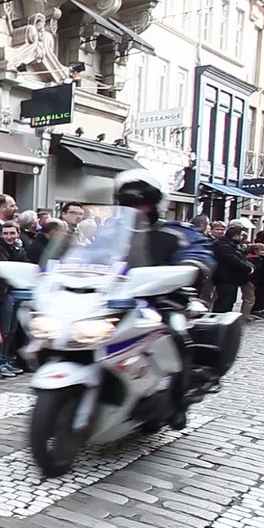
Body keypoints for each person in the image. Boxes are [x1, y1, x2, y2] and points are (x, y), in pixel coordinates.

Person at [111, 169, 215, 428]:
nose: (138, 210)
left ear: (157, 204)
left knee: (178, 335)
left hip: (165, 301)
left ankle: (179, 401)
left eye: (143, 204)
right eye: (130, 204)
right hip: (116, 300)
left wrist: (192, 266)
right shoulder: (111, 232)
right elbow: (85, 256)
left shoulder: (177, 232)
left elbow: (199, 254)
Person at [0, 220, 27, 376]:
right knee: (3, 329)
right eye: (5, 233)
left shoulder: (18, 248)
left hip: (15, 291)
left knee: (12, 329)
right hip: (4, 293)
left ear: (18, 233)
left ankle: (5, 359)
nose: (9, 236)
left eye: (12, 233)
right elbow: (7, 269)